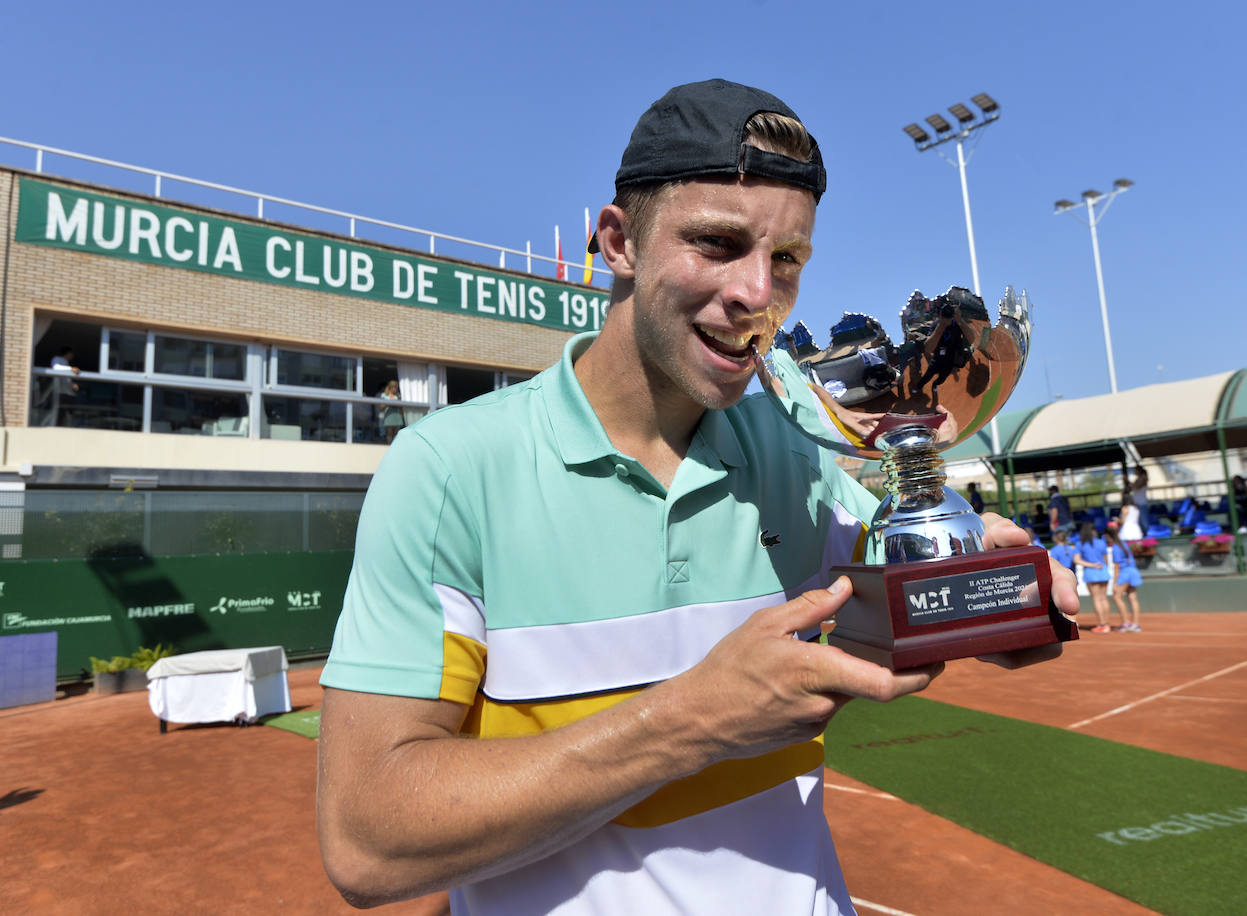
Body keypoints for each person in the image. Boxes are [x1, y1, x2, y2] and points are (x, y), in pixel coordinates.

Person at [314, 79, 1079, 916]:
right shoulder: (450, 470)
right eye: (717, 243)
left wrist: (985, 583)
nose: (757, 294)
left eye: (786, 260)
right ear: (618, 243)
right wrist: (691, 722)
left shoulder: (803, 450)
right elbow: (367, 839)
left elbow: (900, 600)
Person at [1074, 521, 1112, 633]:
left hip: (1091, 572)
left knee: (1096, 599)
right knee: (1104, 598)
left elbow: (1076, 560)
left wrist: (1092, 565)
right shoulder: (1101, 542)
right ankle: (1106, 623)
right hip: (1103, 571)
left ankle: (1102, 624)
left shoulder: (1080, 543)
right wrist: (1101, 566)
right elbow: (1106, 560)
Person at [1105, 528, 1142, 632]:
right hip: (1133, 572)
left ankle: (1126, 623)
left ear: (1108, 536)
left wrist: (1115, 583)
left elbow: (1117, 567)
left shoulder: (1116, 547)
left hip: (1125, 573)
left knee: (1117, 597)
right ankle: (1135, 624)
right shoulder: (1124, 544)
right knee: (1133, 598)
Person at [48, 346, 81, 426]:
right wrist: (70, 369)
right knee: (60, 413)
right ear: (68, 353)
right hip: (60, 393)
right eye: (71, 354)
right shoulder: (57, 359)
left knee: (68, 413)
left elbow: (67, 380)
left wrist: (73, 385)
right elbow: (55, 367)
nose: (72, 356)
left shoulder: (66, 363)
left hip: (67, 393)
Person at [379, 379, 404, 444]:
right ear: (390, 387)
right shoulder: (384, 395)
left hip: (397, 416)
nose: (395, 389)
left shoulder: (398, 395)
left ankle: (395, 447)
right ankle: (389, 446)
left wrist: (402, 415)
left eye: (396, 387)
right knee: (389, 433)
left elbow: (401, 405)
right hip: (389, 415)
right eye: (393, 387)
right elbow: (381, 406)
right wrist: (389, 403)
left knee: (396, 434)